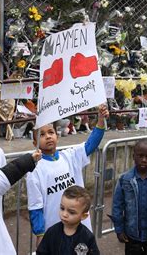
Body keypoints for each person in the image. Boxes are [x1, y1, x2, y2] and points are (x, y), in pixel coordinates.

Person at [27, 104, 109, 245]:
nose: (48, 137)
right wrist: (40, 234)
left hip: (80, 226)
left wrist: (101, 120)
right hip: (54, 231)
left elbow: (91, 144)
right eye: (41, 134)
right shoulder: (34, 170)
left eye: (51, 132)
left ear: (57, 136)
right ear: (35, 142)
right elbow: (35, 207)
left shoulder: (70, 156)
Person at [36, 185, 100, 255]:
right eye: (62, 208)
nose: (64, 214)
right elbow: (41, 252)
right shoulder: (51, 232)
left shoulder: (87, 237)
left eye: (71, 212)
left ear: (83, 216)